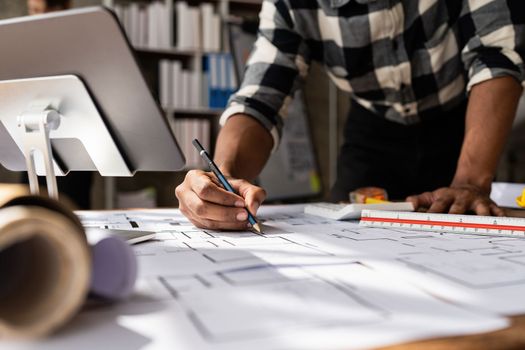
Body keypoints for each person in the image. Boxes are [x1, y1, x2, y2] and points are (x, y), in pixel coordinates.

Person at [176, 0, 524, 230]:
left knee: (466, 231)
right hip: (372, 130)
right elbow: (259, 97)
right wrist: (227, 181)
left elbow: (494, 57)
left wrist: (470, 182)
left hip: (463, 123)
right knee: (346, 232)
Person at [24, 0, 93, 209]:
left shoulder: (82, 45)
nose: (39, 17)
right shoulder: (24, 46)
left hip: (72, 143)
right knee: (30, 206)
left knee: (72, 209)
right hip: (31, 138)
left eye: (45, 10)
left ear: (62, 9)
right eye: (33, 11)